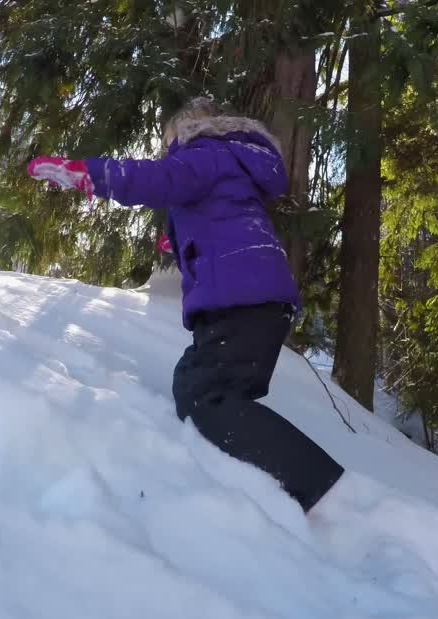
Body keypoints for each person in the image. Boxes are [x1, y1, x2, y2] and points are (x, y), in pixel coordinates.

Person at [26, 97, 344, 513]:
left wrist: (91, 173)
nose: (167, 149)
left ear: (189, 128)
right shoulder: (230, 161)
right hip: (253, 298)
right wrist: (179, 240)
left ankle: (312, 481)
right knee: (194, 383)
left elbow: (157, 178)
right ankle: (253, 474)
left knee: (206, 397)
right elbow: (221, 215)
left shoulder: (203, 151)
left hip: (240, 299)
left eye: (168, 140)